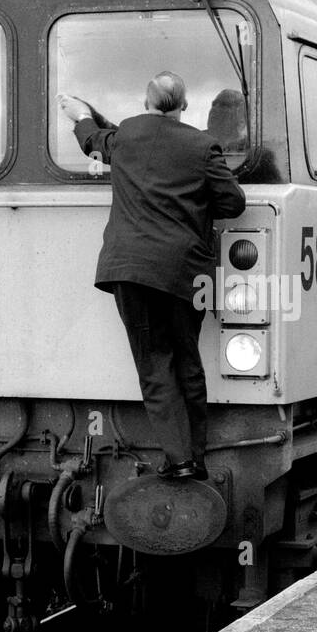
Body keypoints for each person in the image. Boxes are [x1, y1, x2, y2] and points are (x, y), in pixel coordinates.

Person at [57, 72, 246, 480]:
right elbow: (232, 202)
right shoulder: (201, 145)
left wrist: (80, 115)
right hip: (185, 272)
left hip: (132, 271)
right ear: (185, 105)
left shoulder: (126, 136)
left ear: (145, 103)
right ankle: (195, 457)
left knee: (155, 364)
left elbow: (94, 140)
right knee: (187, 362)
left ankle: (179, 461)